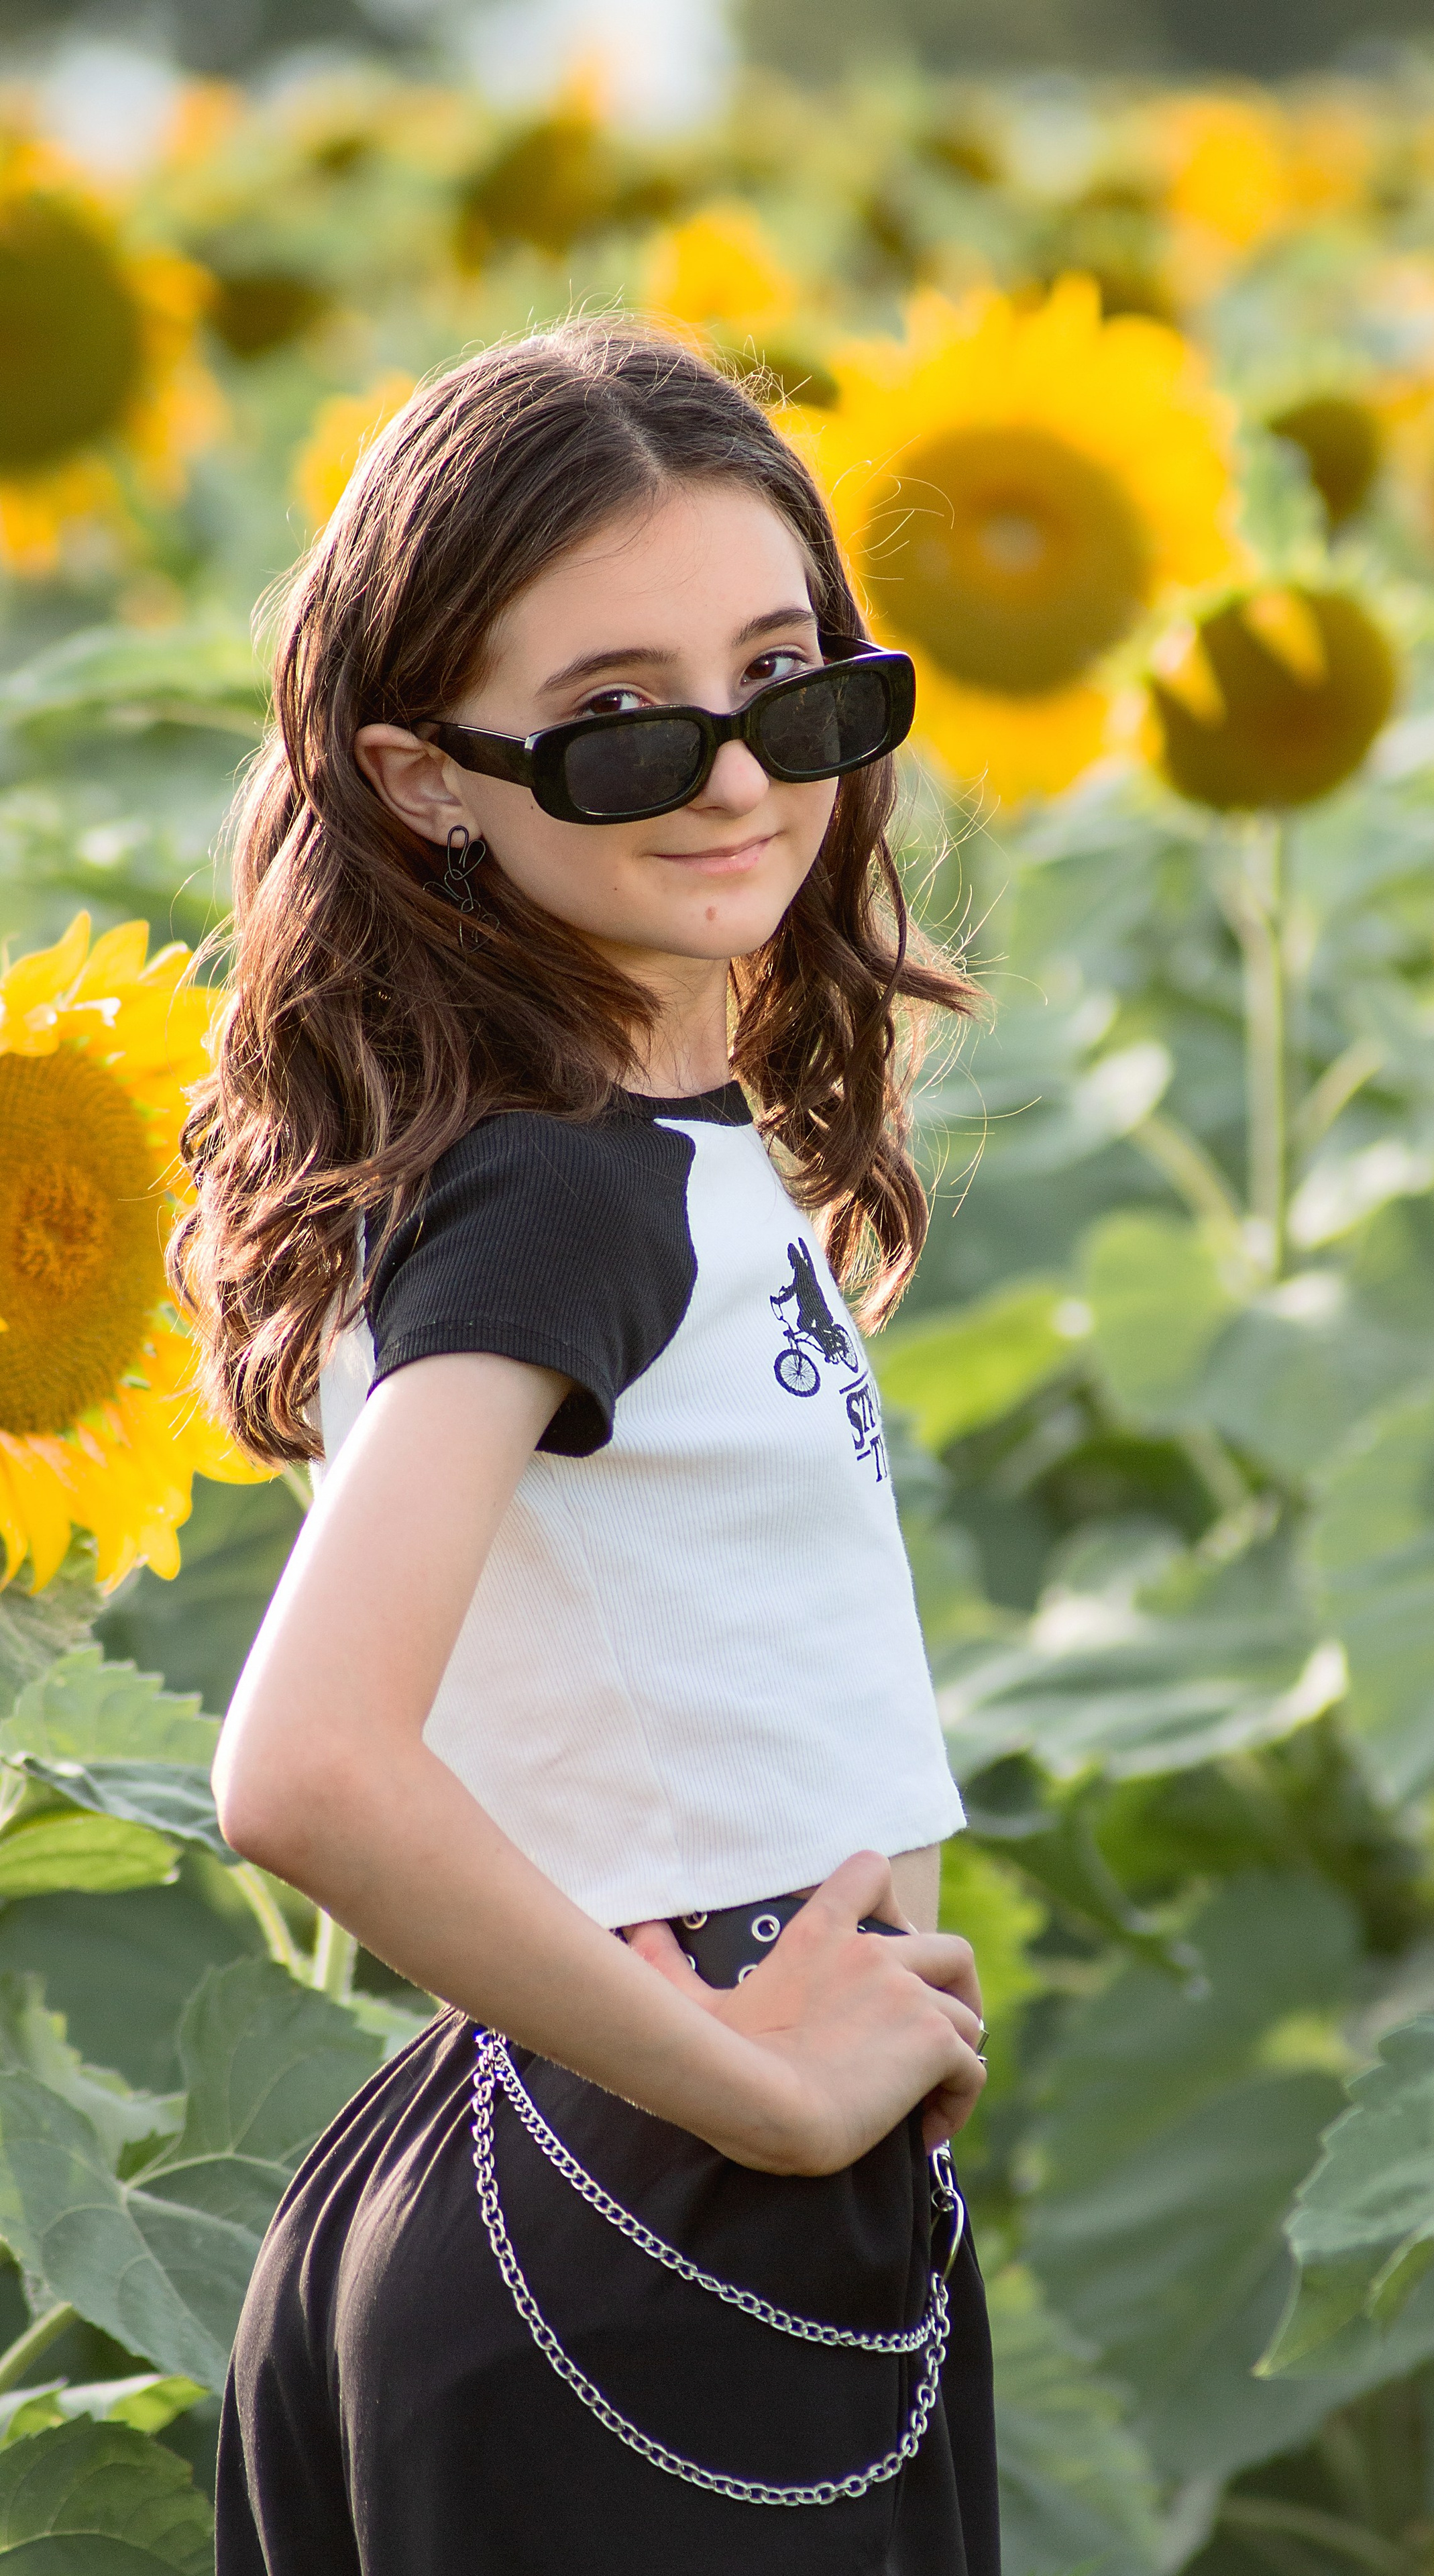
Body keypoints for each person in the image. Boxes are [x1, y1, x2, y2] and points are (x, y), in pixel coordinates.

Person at [174, 317, 997, 2575]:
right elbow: (305, 1765)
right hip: (658, 2233)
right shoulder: (559, 1188)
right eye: (620, 726)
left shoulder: (624, 1146)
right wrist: (777, 2093)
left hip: (595, 2197)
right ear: (426, 776)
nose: (738, 778)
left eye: (794, 679)